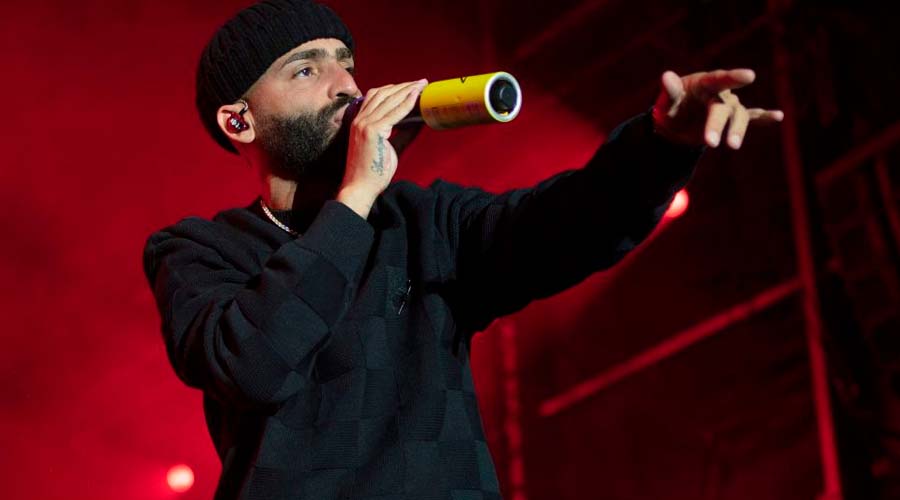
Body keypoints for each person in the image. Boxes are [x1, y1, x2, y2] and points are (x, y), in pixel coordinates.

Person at [142, 1, 783, 498]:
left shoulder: (422, 221)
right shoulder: (199, 251)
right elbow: (255, 365)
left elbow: (565, 225)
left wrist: (662, 145)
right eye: (307, 70)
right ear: (239, 120)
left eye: (346, 62)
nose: (346, 85)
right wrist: (356, 196)